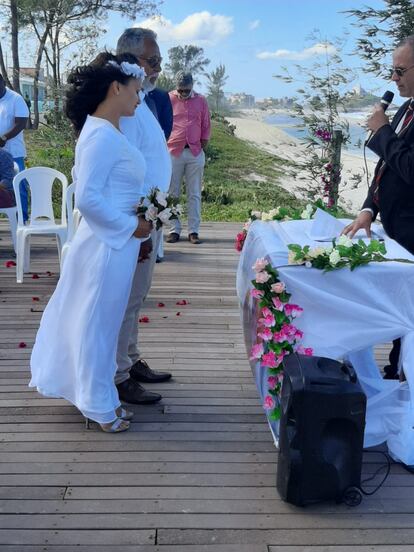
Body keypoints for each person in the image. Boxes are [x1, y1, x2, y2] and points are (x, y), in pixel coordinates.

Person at [29, 52, 153, 432]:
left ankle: (99, 395)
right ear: (116, 87)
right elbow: (87, 198)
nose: (138, 98)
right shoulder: (99, 134)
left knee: (102, 323)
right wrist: (129, 226)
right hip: (105, 247)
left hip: (114, 244)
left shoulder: (106, 130)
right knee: (98, 324)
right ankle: (100, 405)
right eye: (135, 90)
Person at [343, 35, 414, 380]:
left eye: (400, 70)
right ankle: (394, 370)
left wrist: (383, 132)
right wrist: (368, 209)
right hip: (395, 228)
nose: (394, 79)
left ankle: (403, 376)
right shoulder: (405, 107)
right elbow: (386, 167)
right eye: (392, 70)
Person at [115, 27, 173, 405]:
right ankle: (119, 375)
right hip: (133, 221)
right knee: (125, 296)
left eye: (158, 61)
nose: (157, 68)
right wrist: (137, 225)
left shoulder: (144, 98)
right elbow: (125, 169)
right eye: (152, 61)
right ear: (130, 60)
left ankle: (131, 358)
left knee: (138, 295)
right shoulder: (121, 104)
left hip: (149, 217)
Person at [166, 71, 211, 245]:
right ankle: (174, 229)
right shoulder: (169, 99)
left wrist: (203, 142)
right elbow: (162, 121)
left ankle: (193, 231)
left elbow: (206, 123)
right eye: (180, 90)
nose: (183, 94)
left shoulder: (201, 100)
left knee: (194, 193)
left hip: (194, 151)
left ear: (192, 85)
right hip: (173, 151)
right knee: (173, 193)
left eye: (186, 90)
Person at [0, 76, 29, 221]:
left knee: (19, 185)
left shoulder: (15, 99)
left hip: (14, 152)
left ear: (3, 83)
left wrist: (4, 138)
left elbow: (21, 123)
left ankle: (22, 219)